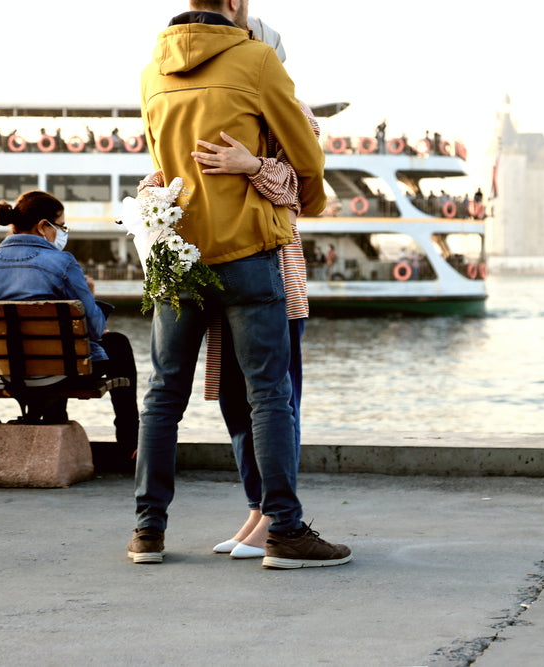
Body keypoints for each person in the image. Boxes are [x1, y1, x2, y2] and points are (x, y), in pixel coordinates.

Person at [132, 0, 351, 568]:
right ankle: (284, 531)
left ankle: (147, 534)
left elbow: (160, 166)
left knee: (162, 397)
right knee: (268, 394)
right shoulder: (255, 60)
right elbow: (308, 165)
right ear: (234, 4)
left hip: (179, 256)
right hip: (247, 251)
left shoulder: (152, 70)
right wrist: (299, 193)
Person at [0, 191, 139, 459]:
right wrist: (91, 298)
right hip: (62, 369)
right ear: (43, 226)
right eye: (61, 226)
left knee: (52, 348)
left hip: (9, 370)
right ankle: (130, 444)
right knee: (116, 344)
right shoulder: (62, 262)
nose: (62, 232)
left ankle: (52, 419)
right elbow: (95, 330)